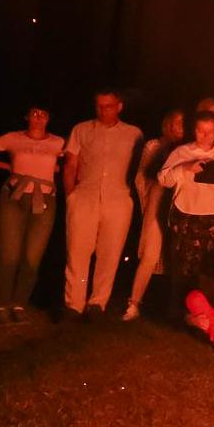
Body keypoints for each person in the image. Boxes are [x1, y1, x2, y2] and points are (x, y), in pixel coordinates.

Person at [0, 107, 66, 323]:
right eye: (34, 113)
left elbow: (69, 163)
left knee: (33, 255)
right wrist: (7, 166)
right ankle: (1, 304)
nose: (39, 117)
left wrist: (57, 168)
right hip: (15, 197)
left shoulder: (58, 142)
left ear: (49, 118)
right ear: (26, 117)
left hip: (45, 199)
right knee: (8, 252)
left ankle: (19, 302)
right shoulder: (12, 138)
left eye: (43, 114)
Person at [62, 90, 142, 320]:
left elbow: (139, 167)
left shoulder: (133, 134)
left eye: (109, 106)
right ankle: (73, 304)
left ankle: (97, 302)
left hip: (118, 198)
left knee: (110, 253)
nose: (103, 110)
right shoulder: (81, 129)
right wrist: (70, 195)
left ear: (119, 106)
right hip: (85, 195)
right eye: (99, 105)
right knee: (77, 251)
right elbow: (71, 164)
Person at [158, 113, 214, 312]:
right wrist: (186, 168)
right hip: (190, 216)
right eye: (201, 131)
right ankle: (182, 311)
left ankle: (212, 311)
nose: (206, 136)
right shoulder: (182, 151)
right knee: (186, 267)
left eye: (211, 131)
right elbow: (164, 179)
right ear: (194, 130)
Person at [122, 110, 186, 321]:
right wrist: (148, 211)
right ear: (168, 125)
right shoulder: (154, 146)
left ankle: (169, 305)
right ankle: (134, 303)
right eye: (176, 122)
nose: (180, 127)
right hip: (156, 205)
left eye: (183, 123)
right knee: (150, 254)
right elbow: (143, 179)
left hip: (180, 207)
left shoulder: (187, 149)